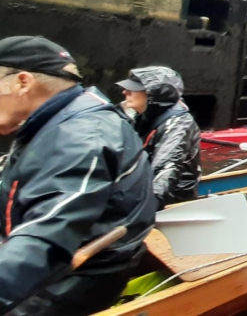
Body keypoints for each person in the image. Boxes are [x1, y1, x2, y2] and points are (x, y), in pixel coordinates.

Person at [0, 36, 156, 315]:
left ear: (23, 82)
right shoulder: (54, 124)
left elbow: (45, 239)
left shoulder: (81, 138)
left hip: (67, 285)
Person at [116, 67, 201, 209]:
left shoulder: (178, 125)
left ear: (153, 94)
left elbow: (165, 170)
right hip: (138, 189)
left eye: (133, 89)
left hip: (172, 202)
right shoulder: (138, 115)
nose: (125, 92)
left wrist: (143, 210)